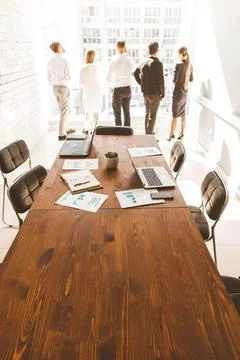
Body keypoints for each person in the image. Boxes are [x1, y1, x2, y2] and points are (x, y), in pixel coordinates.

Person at [134, 42, 164, 135]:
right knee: (153, 116)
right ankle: (149, 135)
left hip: (146, 93)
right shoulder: (158, 63)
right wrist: (163, 93)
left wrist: (142, 84)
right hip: (155, 93)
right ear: (157, 50)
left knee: (147, 114)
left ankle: (147, 133)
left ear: (149, 50)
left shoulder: (143, 61)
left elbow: (135, 73)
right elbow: (161, 80)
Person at [48, 41, 75, 141]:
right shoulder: (64, 60)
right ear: (59, 48)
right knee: (64, 112)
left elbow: (48, 76)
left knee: (62, 111)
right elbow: (69, 76)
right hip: (63, 88)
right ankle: (61, 134)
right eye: (61, 45)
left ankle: (65, 129)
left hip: (54, 88)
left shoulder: (50, 61)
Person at [167, 46, 193, 141]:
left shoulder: (178, 65)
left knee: (174, 116)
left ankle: (171, 135)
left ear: (181, 55)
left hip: (178, 93)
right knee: (182, 114)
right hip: (185, 94)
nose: (177, 56)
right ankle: (182, 134)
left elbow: (175, 80)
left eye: (178, 54)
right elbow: (190, 79)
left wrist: (172, 75)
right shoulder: (190, 66)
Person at [107, 40, 134, 127]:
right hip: (128, 89)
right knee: (127, 112)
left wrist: (111, 85)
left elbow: (108, 77)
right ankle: (127, 132)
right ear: (125, 47)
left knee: (117, 113)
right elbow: (133, 73)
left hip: (117, 89)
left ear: (117, 47)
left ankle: (118, 133)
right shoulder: (130, 60)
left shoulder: (114, 59)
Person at [79, 50, 103, 133]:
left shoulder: (83, 68)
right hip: (96, 92)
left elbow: (80, 83)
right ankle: (96, 129)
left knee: (87, 111)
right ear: (94, 57)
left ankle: (86, 129)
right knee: (96, 111)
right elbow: (100, 81)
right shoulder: (98, 68)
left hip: (88, 92)